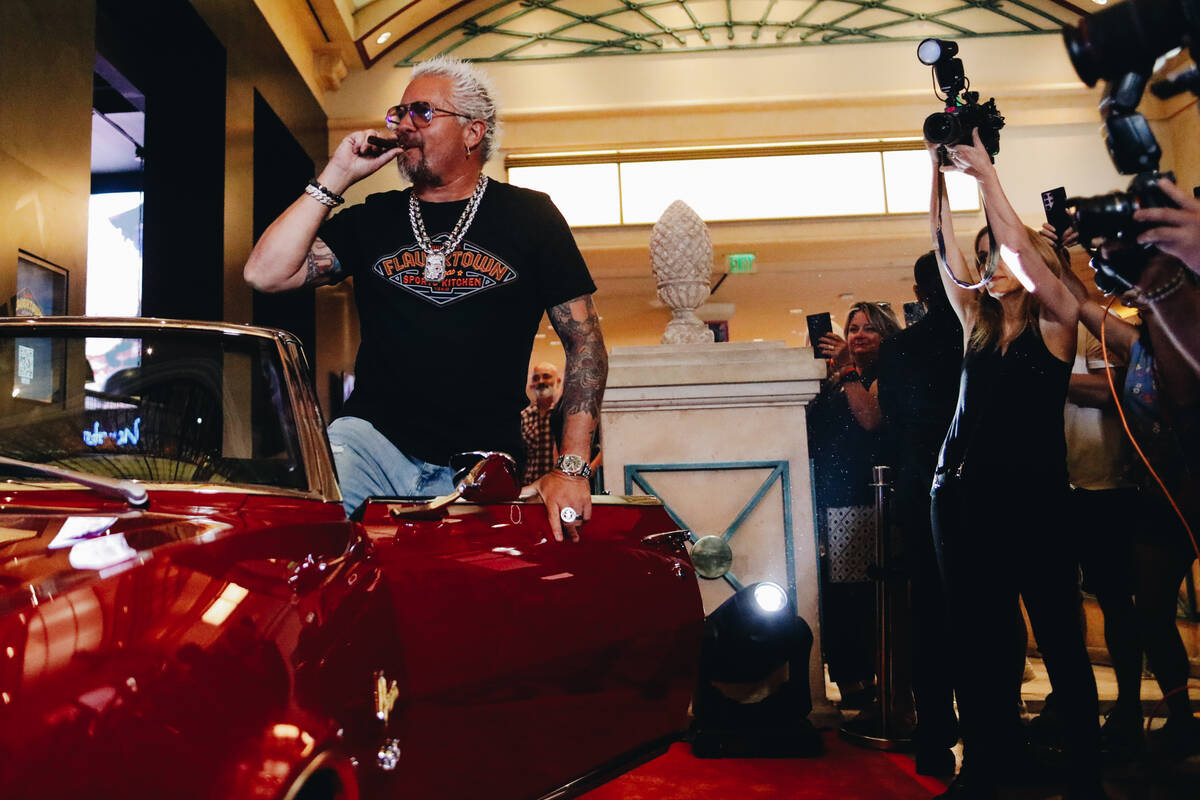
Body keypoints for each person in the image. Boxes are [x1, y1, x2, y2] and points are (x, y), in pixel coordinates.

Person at [243, 56, 606, 541]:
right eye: (399, 113)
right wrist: (336, 176)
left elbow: (584, 344)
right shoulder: (374, 219)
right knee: (304, 548)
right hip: (368, 446)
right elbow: (263, 273)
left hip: (482, 468)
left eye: (422, 112)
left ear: (473, 132)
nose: (404, 126)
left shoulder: (530, 217)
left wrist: (573, 468)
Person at [925, 130, 1104, 800]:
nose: (995, 261)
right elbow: (943, 248)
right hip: (966, 503)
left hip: (1035, 504)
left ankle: (1085, 776)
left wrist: (986, 175)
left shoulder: (1056, 325)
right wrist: (936, 170)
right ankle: (990, 765)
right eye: (991, 254)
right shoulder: (976, 322)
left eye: (1004, 255)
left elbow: (1026, 250)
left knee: (1058, 637)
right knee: (979, 643)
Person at [1052, 237, 1200, 759]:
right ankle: (1182, 717)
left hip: (1190, 491)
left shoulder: (1187, 343)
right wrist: (1064, 266)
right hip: (1163, 497)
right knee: (1151, 613)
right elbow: (1083, 308)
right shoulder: (1144, 342)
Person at [876, 251, 963, 775]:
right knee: (979, 609)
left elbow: (892, 418)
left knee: (927, 611)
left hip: (915, 483)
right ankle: (987, 725)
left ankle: (932, 726)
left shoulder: (900, 349)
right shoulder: (976, 339)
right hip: (970, 480)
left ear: (919, 291)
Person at [808, 300, 901, 710]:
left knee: (869, 600)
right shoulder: (834, 381)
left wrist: (847, 369)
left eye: (868, 329)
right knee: (838, 598)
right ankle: (851, 682)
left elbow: (870, 419)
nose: (858, 335)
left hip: (869, 497)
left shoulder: (890, 376)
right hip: (830, 498)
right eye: (852, 329)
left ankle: (879, 684)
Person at [521, 361, 563, 485]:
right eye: (536, 378)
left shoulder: (563, 415)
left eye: (546, 376)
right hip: (528, 487)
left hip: (556, 487)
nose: (540, 381)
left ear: (558, 381)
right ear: (531, 385)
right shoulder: (524, 416)